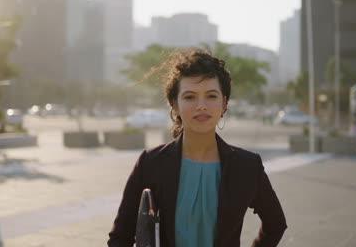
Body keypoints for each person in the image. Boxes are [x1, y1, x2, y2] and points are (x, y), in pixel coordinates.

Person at [108, 48, 287, 247]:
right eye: (190, 97)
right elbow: (120, 237)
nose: (201, 105)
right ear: (174, 104)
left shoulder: (246, 166)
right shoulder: (150, 163)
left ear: (224, 103)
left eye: (211, 96)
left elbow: (276, 224)